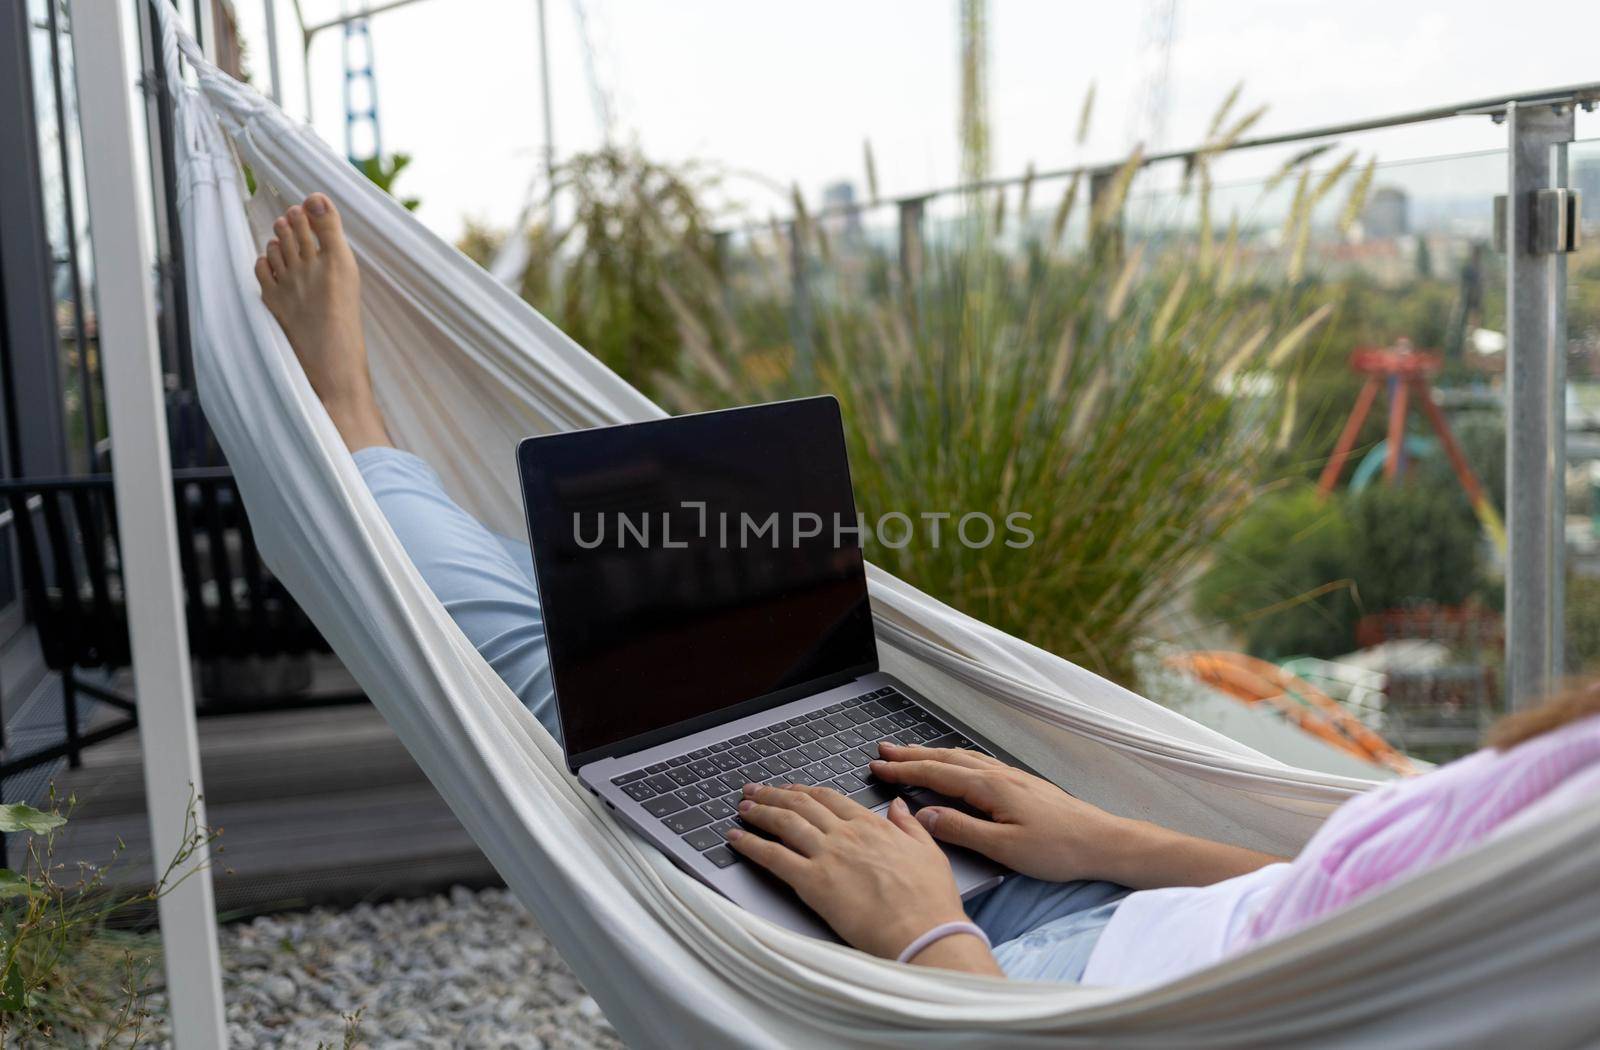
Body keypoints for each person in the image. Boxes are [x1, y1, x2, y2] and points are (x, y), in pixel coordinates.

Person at [255, 193, 1600, 985]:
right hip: (1104, 905)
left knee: (568, 695)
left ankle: (356, 425)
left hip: (1025, 991)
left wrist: (924, 941)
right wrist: (1097, 835)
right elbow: (1379, 908)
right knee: (671, 685)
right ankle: (410, 486)